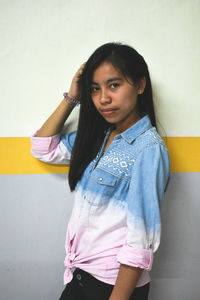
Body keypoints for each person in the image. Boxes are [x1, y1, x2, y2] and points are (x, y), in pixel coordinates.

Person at [30, 42, 170, 300]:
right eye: (94, 89)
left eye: (114, 85)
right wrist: (72, 97)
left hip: (112, 286)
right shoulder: (98, 136)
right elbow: (43, 147)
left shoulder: (148, 149)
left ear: (140, 85)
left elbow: (140, 240)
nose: (103, 98)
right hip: (81, 273)